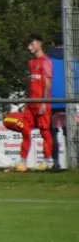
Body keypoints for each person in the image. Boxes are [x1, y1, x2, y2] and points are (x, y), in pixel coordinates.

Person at [14, 34, 53, 172]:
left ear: (39, 43)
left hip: (42, 102)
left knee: (44, 131)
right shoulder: (31, 62)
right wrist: (27, 100)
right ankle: (22, 161)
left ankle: (48, 160)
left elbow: (47, 84)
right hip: (31, 103)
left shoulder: (46, 61)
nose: (29, 47)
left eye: (31, 44)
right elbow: (31, 84)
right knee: (25, 130)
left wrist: (43, 102)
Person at [48, 32, 77, 170]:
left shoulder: (47, 60)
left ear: (53, 44)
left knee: (51, 133)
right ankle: (74, 162)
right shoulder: (73, 62)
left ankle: (56, 162)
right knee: (70, 132)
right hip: (69, 102)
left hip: (50, 102)